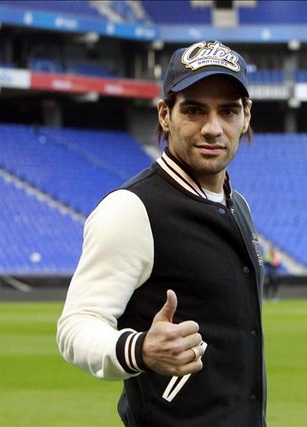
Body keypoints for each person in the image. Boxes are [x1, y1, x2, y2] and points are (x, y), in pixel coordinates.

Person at [56, 40, 266, 426]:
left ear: (246, 116)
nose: (213, 128)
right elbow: (76, 326)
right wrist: (139, 349)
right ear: (165, 114)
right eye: (194, 110)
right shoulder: (131, 209)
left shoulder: (239, 206)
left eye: (228, 111)